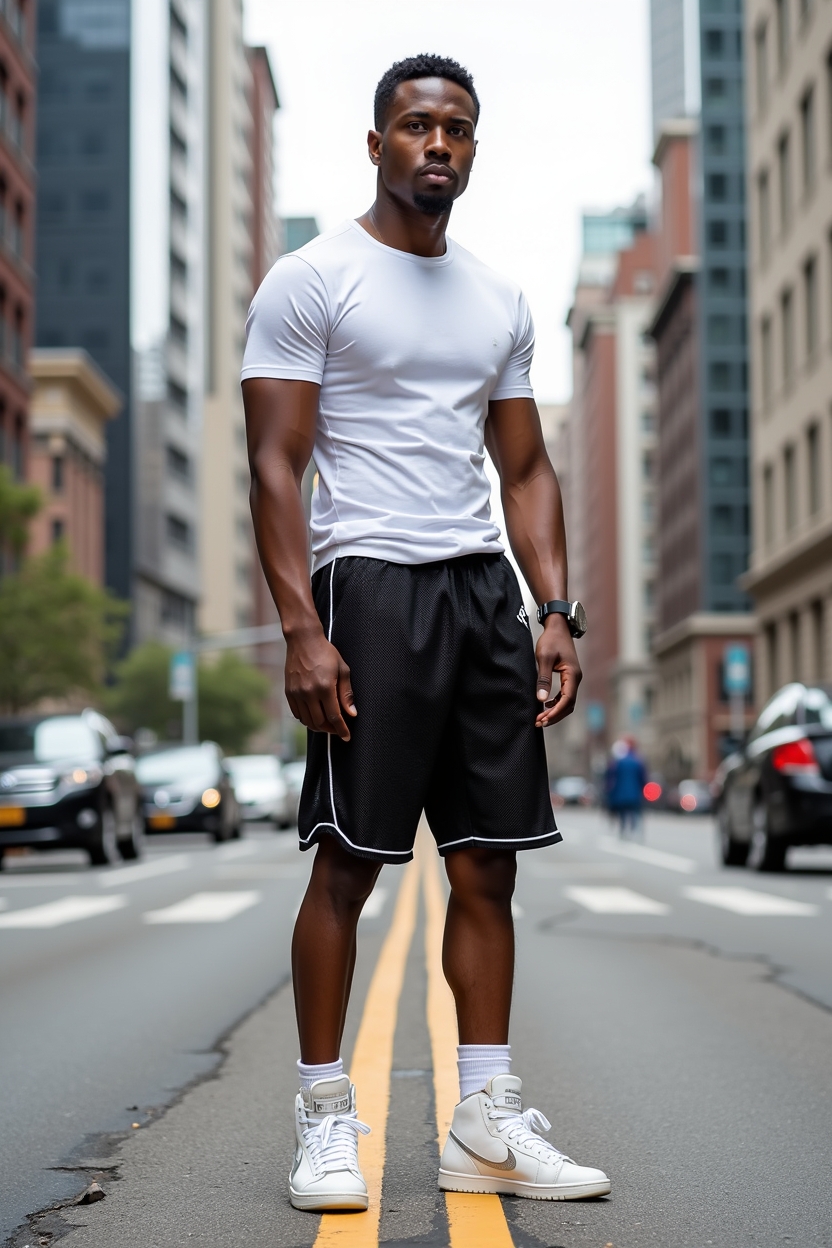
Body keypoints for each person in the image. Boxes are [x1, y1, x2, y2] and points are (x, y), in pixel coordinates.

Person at [241, 53, 610, 1210]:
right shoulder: (311, 279)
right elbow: (273, 463)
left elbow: (527, 467)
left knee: (487, 868)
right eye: (414, 126)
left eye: (455, 127)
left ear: (472, 148)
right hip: (370, 592)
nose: (435, 143)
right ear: (376, 145)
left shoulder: (499, 298)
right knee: (349, 864)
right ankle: (322, 1119)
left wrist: (550, 612)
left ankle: (484, 1123)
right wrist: (302, 628)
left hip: (477, 597)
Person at [605, 738, 648, 838]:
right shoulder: (638, 761)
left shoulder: (618, 763)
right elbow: (643, 778)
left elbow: (611, 779)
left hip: (620, 793)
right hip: (635, 793)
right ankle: (634, 830)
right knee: (635, 812)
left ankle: (624, 831)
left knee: (623, 813)